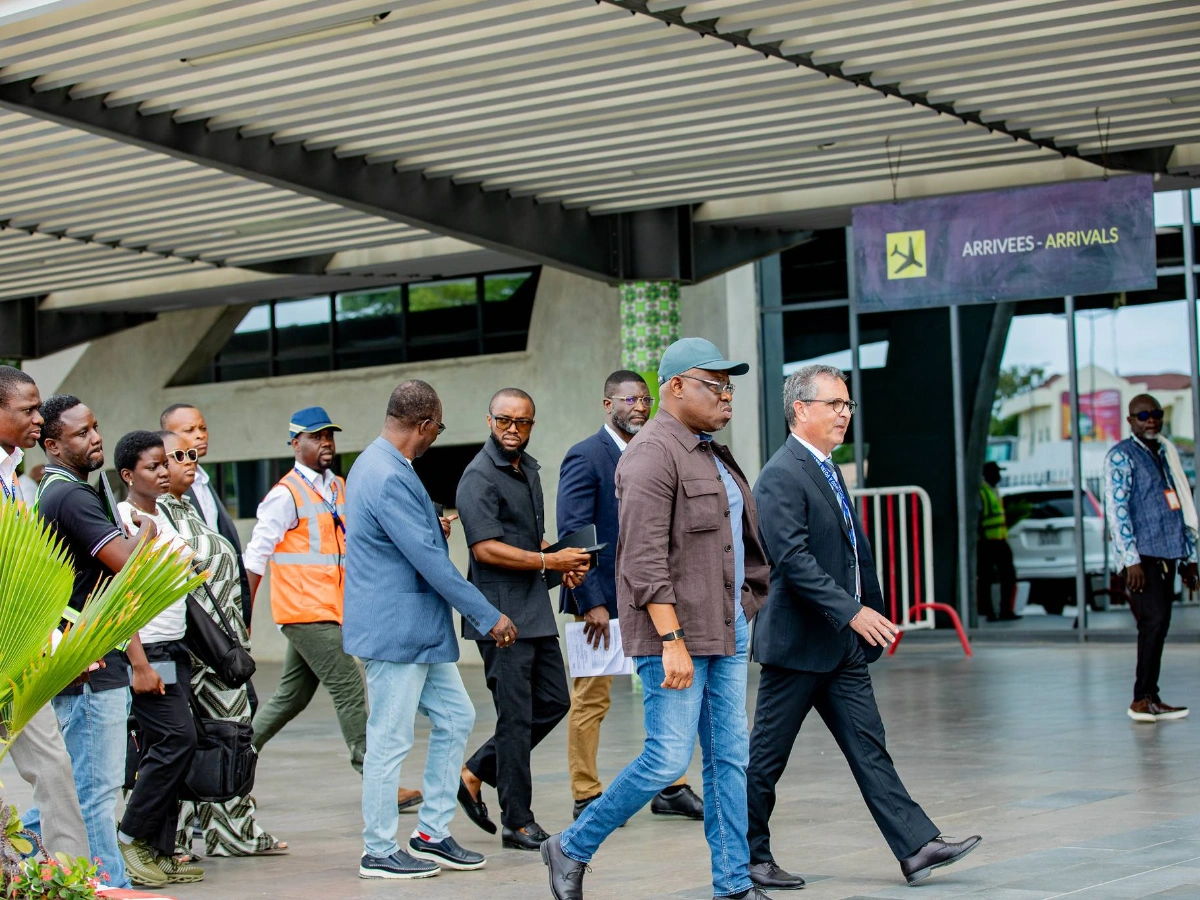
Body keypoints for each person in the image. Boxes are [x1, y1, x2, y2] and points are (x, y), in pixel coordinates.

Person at [543, 337, 771, 900]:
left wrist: (745, 601)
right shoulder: (649, 454)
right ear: (675, 387)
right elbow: (641, 558)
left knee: (728, 760)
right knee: (667, 755)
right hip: (675, 631)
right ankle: (572, 846)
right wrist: (671, 639)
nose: (726, 398)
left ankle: (734, 884)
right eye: (713, 386)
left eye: (729, 387)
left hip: (724, 625)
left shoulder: (710, 450)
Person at [746, 365, 981, 890]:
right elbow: (792, 559)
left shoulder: (828, 467)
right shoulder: (782, 474)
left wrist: (864, 607)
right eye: (834, 404)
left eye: (848, 405)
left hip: (841, 646)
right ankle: (749, 855)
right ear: (800, 410)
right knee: (766, 757)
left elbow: (849, 550)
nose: (844, 414)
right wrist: (851, 610)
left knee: (869, 746)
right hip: (797, 645)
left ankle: (916, 847)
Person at [344, 380, 519, 880]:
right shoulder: (386, 474)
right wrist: (488, 614)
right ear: (423, 425)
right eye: (437, 429)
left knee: (456, 716)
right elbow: (428, 563)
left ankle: (432, 834)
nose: (436, 437)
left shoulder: (382, 465)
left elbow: (400, 538)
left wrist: (431, 523)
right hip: (395, 630)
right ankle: (377, 849)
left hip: (414, 628)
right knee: (390, 738)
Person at [242, 407, 424, 806]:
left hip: (334, 609)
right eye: (315, 436)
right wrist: (242, 620)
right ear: (295, 443)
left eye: (329, 436)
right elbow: (254, 560)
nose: (326, 443)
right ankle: (376, 778)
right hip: (305, 612)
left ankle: (231, 764)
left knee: (291, 697)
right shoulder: (284, 495)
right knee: (347, 685)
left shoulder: (340, 487)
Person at [556, 369, 703, 821]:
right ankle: (586, 792)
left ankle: (671, 788)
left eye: (644, 399)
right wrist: (592, 602)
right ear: (607, 405)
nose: (639, 407)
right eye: (629, 400)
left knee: (667, 689)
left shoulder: (657, 452)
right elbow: (573, 535)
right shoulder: (585, 456)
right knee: (591, 699)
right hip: (601, 604)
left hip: (652, 600)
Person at [32, 394, 162, 889]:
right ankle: (111, 887)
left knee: (77, 790)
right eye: (81, 433)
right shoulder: (70, 496)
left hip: (89, 659)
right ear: (53, 445)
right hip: (88, 664)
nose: (95, 438)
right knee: (95, 792)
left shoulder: (67, 493)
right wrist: (146, 531)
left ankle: (28, 849)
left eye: (95, 427)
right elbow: (125, 564)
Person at [456, 388, 590, 851]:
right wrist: (546, 562)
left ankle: (476, 770)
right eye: (505, 420)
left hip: (533, 610)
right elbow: (485, 548)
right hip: (499, 617)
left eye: (523, 422)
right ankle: (517, 821)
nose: (513, 429)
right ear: (489, 420)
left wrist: (562, 561)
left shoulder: (527, 470)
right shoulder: (478, 477)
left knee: (554, 702)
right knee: (514, 719)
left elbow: (526, 541)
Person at [155, 430, 286, 858]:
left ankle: (231, 831)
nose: (190, 461)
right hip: (192, 654)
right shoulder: (153, 516)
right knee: (183, 744)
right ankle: (169, 839)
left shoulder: (188, 510)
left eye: (192, 454)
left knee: (230, 740)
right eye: (178, 456)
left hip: (223, 651)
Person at [0, 368, 89, 865]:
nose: (40, 419)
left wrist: (51, 640)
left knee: (54, 767)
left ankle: (72, 878)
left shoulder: (12, 474)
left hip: (19, 652)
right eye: (29, 410)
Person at [113, 431, 203, 887]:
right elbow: (120, 596)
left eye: (164, 464)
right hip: (148, 650)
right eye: (152, 467)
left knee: (167, 748)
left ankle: (160, 850)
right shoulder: (127, 522)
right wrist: (138, 663)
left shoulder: (162, 515)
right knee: (176, 740)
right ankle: (129, 838)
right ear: (129, 475)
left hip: (174, 647)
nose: (163, 472)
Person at [1104, 393, 1198, 722]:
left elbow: (1181, 507)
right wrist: (1130, 560)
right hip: (1141, 556)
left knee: (1160, 624)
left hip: (1168, 551)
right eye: (1143, 415)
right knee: (1153, 622)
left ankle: (1150, 697)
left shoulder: (1165, 454)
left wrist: (1190, 558)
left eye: (1155, 413)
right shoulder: (1122, 456)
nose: (1151, 420)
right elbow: (1116, 512)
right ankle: (1141, 699)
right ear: (1130, 421)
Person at [160, 404, 252, 626]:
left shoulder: (203, 481)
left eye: (203, 428)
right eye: (189, 430)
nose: (200, 435)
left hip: (225, 602)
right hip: (195, 610)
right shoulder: (165, 494)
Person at [978, 461, 1019, 622]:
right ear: (989, 474)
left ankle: (1005, 610)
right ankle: (988, 612)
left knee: (1008, 576)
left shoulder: (994, 490)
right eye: (996, 473)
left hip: (1000, 539)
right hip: (988, 541)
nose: (999, 476)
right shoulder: (983, 491)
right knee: (986, 578)